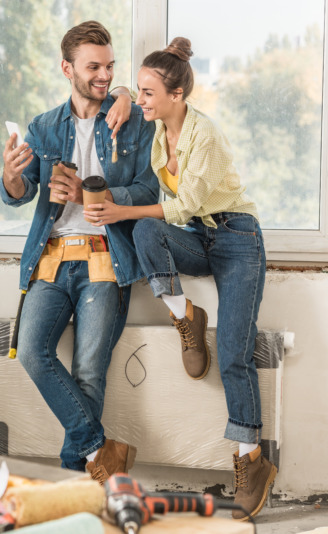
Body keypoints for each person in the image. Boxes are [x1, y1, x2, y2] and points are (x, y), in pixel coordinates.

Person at [84, 37, 274, 520]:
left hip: (236, 240)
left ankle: (250, 459)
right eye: (141, 93)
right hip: (198, 237)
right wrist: (126, 92)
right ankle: (184, 314)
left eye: (150, 94)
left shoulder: (202, 136)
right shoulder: (155, 126)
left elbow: (183, 205)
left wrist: (118, 210)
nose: (141, 101)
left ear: (176, 96)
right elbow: (125, 92)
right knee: (147, 231)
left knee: (234, 353)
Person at [0, 20, 159, 484]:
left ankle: (74, 480)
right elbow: (19, 192)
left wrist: (91, 194)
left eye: (110, 66)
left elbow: (148, 187)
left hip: (105, 258)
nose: (104, 76)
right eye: (94, 67)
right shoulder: (44, 127)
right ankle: (99, 449)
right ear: (67, 67)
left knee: (89, 370)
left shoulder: (130, 118)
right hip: (51, 258)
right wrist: (11, 175)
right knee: (31, 351)